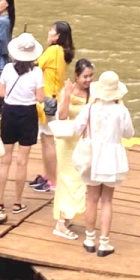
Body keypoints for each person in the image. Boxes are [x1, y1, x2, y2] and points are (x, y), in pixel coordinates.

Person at [76, 69, 134, 257]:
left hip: (93, 155)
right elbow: (129, 133)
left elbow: (77, 127)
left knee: (91, 198)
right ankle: (104, 243)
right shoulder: (121, 110)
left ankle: (89, 239)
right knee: (107, 200)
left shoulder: (90, 108)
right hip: (112, 157)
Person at [0, 32, 44, 220]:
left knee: (5, 160)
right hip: (28, 114)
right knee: (22, 161)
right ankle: (18, 201)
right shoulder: (37, 73)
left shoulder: (6, 69)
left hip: (9, 113)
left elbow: (2, 93)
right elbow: (40, 98)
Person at [50, 56, 95, 240]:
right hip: (67, 142)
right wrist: (67, 95)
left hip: (82, 142)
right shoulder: (67, 90)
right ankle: (60, 222)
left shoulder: (93, 93)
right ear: (77, 76)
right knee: (68, 180)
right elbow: (61, 116)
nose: (88, 80)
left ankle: (66, 216)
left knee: (80, 180)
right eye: (85, 76)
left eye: (91, 76)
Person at [33, 20, 74, 194]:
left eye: (51, 30)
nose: (48, 32)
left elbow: (35, 64)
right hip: (53, 98)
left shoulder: (53, 50)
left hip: (48, 100)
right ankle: (48, 175)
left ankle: (52, 179)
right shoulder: (61, 52)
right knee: (46, 139)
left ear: (57, 36)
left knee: (48, 141)